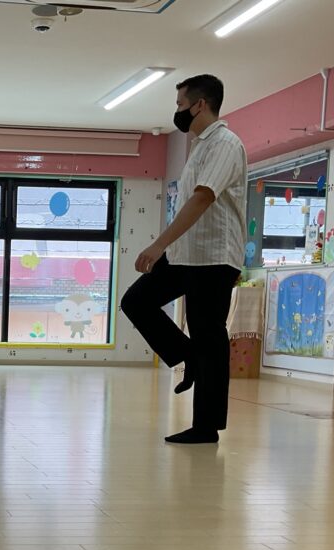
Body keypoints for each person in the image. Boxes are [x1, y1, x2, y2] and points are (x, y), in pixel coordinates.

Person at [120, 74, 247, 445]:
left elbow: (203, 197)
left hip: (214, 257)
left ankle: (206, 427)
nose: (176, 111)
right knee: (136, 301)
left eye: (180, 105)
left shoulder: (225, 144)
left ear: (200, 104)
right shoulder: (200, 145)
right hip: (186, 254)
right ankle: (187, 354)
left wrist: (158, 244)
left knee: (209, 336)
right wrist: (169, 248)